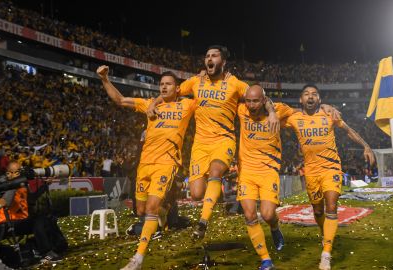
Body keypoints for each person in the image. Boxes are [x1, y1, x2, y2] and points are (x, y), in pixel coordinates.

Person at [147, 45, 280, 240]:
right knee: (196, 194)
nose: (209, 58)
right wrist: (153, 103)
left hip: (223, 140)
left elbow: (259, 95)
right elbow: (171, 92)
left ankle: (202, 223)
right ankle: (183, 209)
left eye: (214, 55)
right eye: (207, 56)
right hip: (200, 144)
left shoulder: (234, 83)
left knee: (216, 171)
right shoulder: (195, 81)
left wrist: (272, 112)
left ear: (223, 62)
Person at [96, 65, 196, 270]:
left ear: (178, 88)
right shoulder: (149, 104)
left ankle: (137, 259)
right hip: (145, 165)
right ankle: (165, 208)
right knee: (141, 210)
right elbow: (120, 100)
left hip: (167, 163)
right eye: (161, 84)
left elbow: (202, 92)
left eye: (169, 84)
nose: (163, 87)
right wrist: (105, 78)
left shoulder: (187, 105)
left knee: (150, 208)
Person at [285, 84, 375, 270]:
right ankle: (324, 232)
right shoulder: (294, 118)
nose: (310, 97)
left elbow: (348, 130)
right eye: (306, 94)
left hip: (331, 168)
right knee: (318, 211)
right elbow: (273, 115)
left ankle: (326, 253)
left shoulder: (330, 114)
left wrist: (366, 145)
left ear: (319, 99)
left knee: (331, 207)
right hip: (310, 171)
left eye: (314, 94)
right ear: (301, 99)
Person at [236, 85, 294, 270]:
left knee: (268, 214)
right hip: (246, 172)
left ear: (263, 100)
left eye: (255, 101)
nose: (251, 105)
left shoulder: (278, 110)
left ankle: (275, 228)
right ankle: (266, 260)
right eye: (248, 101)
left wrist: (325, 108)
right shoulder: (241, 110)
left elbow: (301, 114)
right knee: (250, 215)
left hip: (269, 171)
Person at [0, 161, 63, 265]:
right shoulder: (2, 183)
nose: (22, 173)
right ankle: (45, 253)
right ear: (9, 173)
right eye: (18, 171)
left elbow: (31, 199)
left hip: (21, 222)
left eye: (21, 171)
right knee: (37, 221)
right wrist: (15, 182)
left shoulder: (22, 184)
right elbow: (7, 200)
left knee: (45, 218)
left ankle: (55, 246)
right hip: (6, 224)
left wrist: (45, 185)